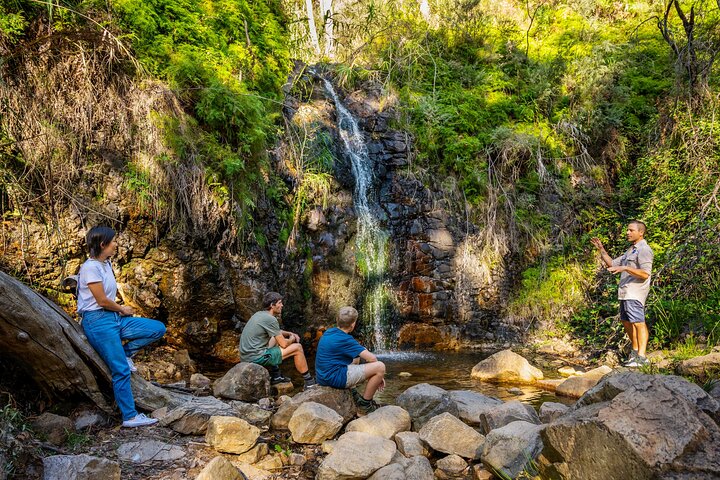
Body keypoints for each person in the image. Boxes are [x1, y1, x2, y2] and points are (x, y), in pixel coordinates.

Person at [77, 226, 166, 427]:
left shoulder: (106, 264)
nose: (116, 245)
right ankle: (130, 416)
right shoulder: (90, 267)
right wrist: (122, 308)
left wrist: (118, 311)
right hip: (98, 321)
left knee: (157, 328)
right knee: (120, 370)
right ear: (102, 244)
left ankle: (125, 353)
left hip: (113, 318)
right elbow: (100, 300)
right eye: (113, 242)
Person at [591, 220, 654, 367]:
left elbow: (645, 274)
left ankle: (642, 357)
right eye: (627, 230)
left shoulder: (644, 250)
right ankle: (635, 352)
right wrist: (601, 249)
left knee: (639, 323)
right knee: (626, 322)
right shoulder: (631, 250)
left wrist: (625, 268)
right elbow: (612, 264)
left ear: (641, 232)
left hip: (635, 293)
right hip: (625, 293)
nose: (627, 232)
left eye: (631, 230)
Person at [315, 306, 386, 414]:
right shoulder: (346, 339)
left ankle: (353, 393)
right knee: (380, 367)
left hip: (322, 376)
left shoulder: (329, 332)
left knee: (356, 356)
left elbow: (359, 352)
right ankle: (365, 405)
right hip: (334, 378)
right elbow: (372, 358)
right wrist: (379, 376)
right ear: (353, 324)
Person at [240, 292, 316, 389]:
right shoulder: (271, 319)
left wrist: (289, 333)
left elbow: (276, 332)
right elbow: (284, 344)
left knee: (274, 338)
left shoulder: (259, 314)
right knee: (298, 348)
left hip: (246, 356)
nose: (282, 305)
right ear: (272, 305)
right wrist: (292, 339)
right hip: (255, 357)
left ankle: (276, 376)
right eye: (280, 303)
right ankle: (309, 382)